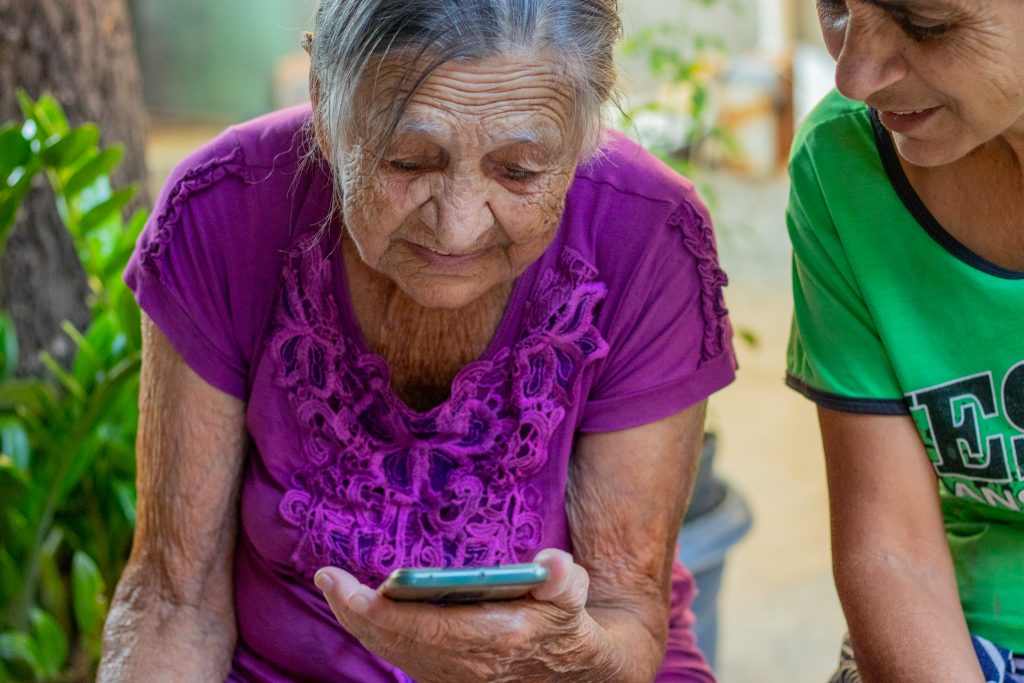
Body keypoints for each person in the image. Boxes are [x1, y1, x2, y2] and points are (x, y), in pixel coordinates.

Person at [97, 0, 737, 680]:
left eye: (519, 170)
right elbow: (175, 602)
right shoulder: (226, 205)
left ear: (584, 135)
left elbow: (625, 614)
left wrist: (552, 657)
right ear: (323, 104)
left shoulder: (647, 235)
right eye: (407, 161)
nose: (457, 228)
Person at [785, 0, 1024, 681]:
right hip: (958, 628)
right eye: (833, 6)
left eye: (927, 25)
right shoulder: (844, 164)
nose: (854, 76)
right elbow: (894, 551)